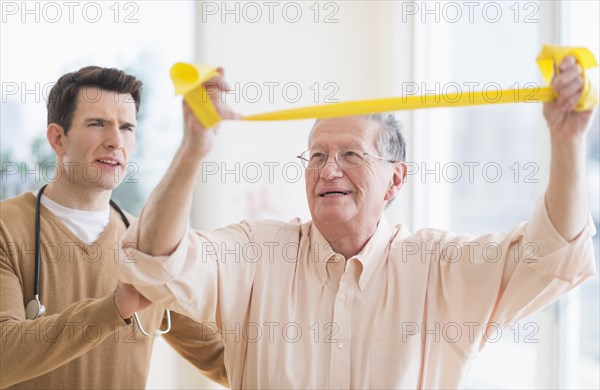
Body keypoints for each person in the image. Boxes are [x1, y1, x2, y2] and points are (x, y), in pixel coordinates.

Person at [118, 57, 597, 388]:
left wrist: (567, 142)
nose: (328, 169)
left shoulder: (442, 267)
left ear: (395, 181)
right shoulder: (258, 251)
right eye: (318, 156)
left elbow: (553, 250)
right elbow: (156, 258)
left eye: (351, 155)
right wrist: (194, 150)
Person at [0, 66, 228, 389]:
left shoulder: (148, 244)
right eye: (98, 124)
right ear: (57, 138)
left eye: (127, 127)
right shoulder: (6, 229)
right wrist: (115, 308)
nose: (116, 141)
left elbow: (224, 360)